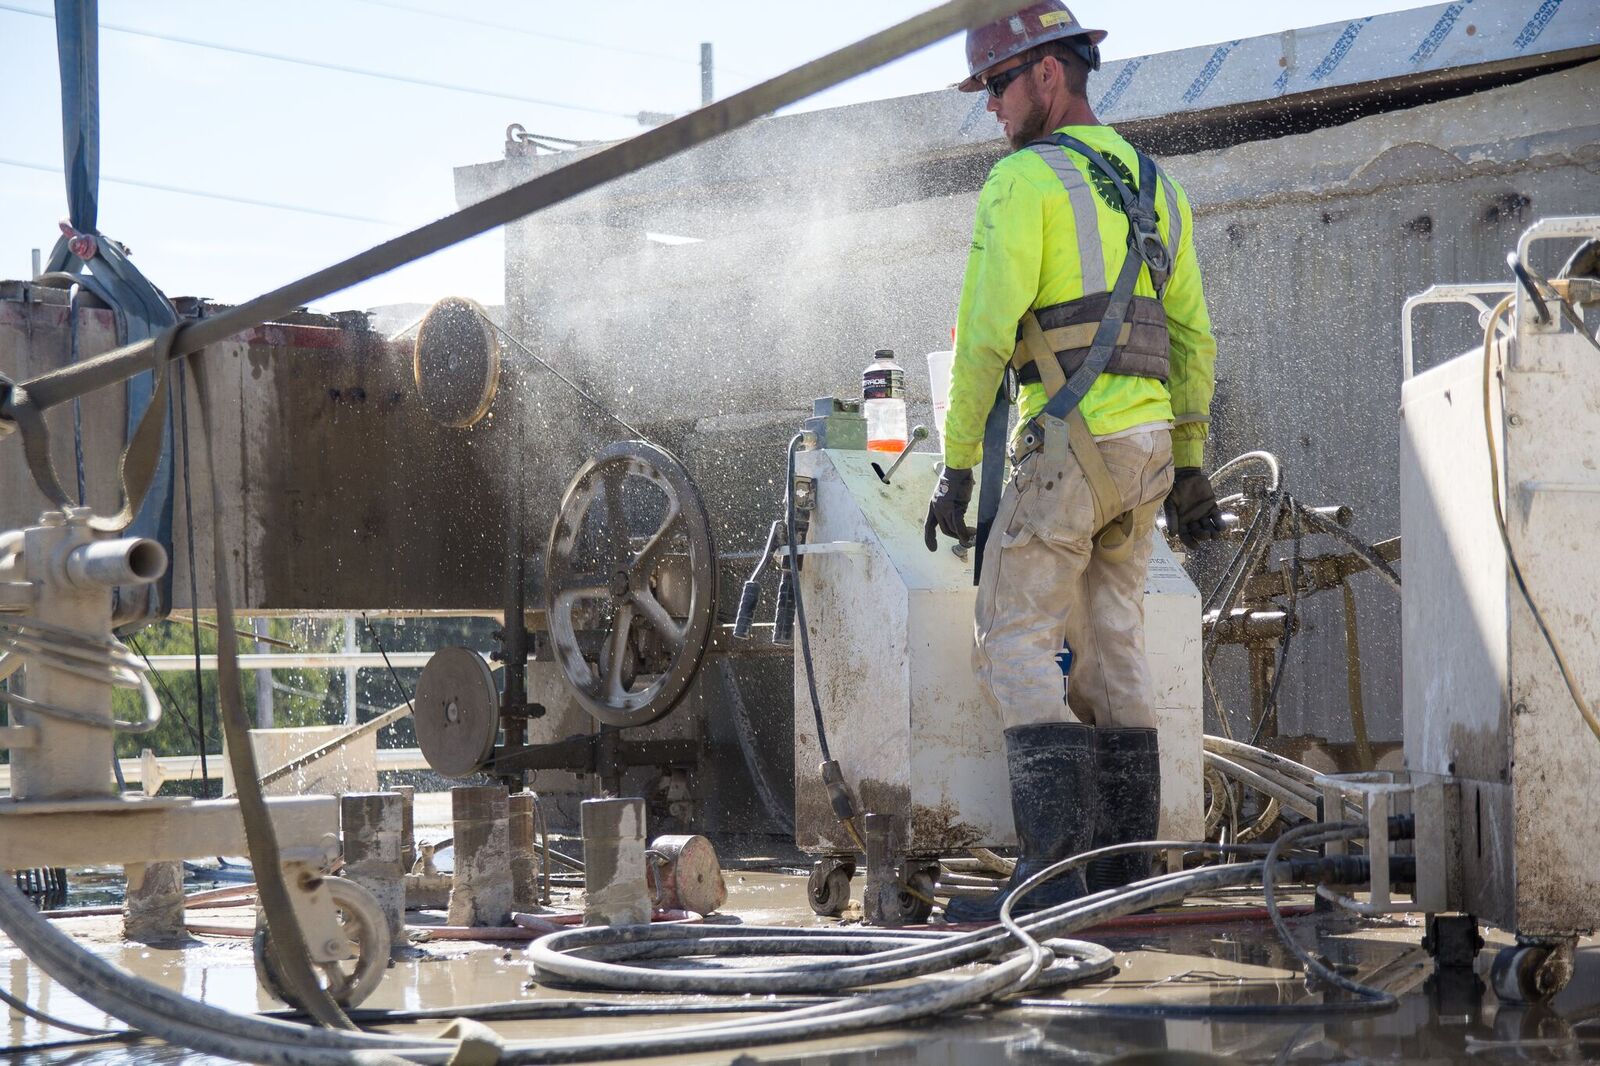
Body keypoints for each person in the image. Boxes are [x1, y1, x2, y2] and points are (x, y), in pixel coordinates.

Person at [923, 1, 1223, 923]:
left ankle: (1053, 874)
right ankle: (1129, 877)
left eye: (999, 85)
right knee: (1115, 650)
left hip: (1065, 452)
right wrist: (1193, 461)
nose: (991, 108)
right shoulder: (1157, 182)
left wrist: (958, 467)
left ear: (1049, 76)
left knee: (1009, 639)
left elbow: (982, 340)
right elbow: (1191, 337)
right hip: (1142, 464)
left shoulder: (1022, 183)